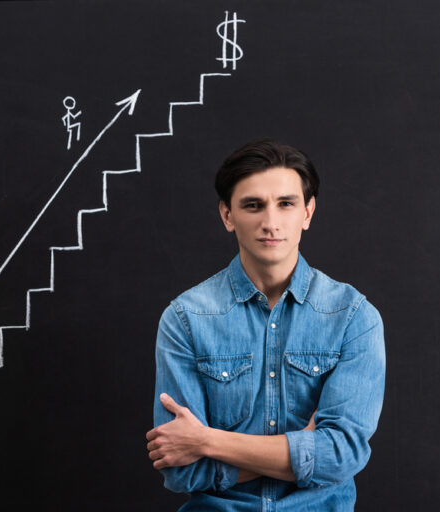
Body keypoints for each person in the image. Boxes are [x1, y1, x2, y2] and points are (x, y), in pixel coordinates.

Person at [146, 139, 386, 510]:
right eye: (253, 205)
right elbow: (182, 472)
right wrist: (302, 454)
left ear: (307, 212)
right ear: (227, 215)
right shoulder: (185, 319)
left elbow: (341, 455)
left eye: (286, 204)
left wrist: (205, 441)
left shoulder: (354, 317)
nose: (270, 223)